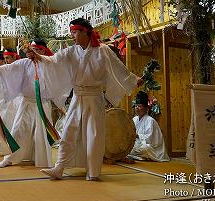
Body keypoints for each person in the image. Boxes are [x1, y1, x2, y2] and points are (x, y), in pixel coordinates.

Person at [26, 18, 142, 181]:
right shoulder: (71, 51)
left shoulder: (103, 50)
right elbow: (53, 60)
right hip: (78, 97)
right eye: (72, 32)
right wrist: (38, 57)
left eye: (74, 32)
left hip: (95, 98)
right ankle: (59, 167)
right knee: (68, 131)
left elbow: (118, 68)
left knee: (93, 135)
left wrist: (133, 79)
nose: (72, 35)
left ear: (85, 31)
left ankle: (93, 172)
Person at [0, 39, 69, 168]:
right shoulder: (25, 62)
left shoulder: (49, 63)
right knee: (18, 129)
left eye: (36, 50)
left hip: (42, 104)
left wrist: (41, 59)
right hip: (27, 102)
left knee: (41, 134)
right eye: (31, 50)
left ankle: (41, 159)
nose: (33, 53)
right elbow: (9, 68)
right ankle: (10, 158)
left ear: (43, 50)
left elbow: (60, 73)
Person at [128, 91, 170, 162]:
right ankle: (137, 155)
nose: (137, 108)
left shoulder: (150, 120)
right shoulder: (134, 119)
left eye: (139, 106)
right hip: (138, 144)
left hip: (151, 147)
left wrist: (137, 136)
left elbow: (150, 139)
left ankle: (138, 155)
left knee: (145, 148)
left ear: (146, 108)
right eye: (136, 106)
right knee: (128, 147)